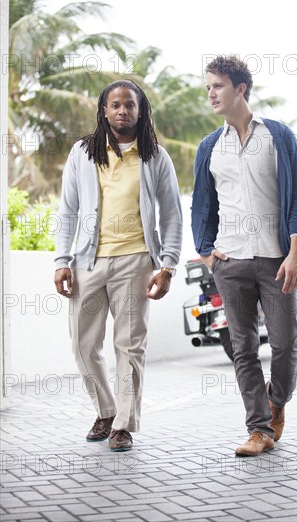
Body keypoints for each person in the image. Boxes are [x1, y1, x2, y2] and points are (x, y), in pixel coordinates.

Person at [54, 79, 182, 452]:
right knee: (82, 343)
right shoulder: (82, 152)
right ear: (104, 110)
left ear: (141, 111)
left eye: (130, 105)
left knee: (129, 346)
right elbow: (68, 211)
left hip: (137, 261)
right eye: (115, 104)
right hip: (87, 262)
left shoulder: (155, 155)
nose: (123, 110)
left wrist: (168, 266)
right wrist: (62, 261)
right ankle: (106, 409)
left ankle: (123, 424)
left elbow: (172, 215)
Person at [191, 55, 297, 456]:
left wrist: (296, 252)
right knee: (242, 347)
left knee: (285, 344)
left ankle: (277, 402)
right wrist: (207, 253)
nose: (210, 93)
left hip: (277, 261)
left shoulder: (278, 136)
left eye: (218, 85)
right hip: (231, 262)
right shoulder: (209, 146)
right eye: (207, 86)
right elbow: (202, 206)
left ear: (240, 88)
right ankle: (258, 429)